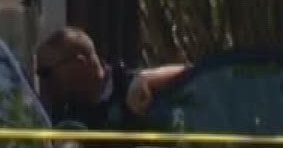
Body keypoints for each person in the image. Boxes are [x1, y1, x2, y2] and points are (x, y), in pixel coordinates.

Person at [33, 26, 187, 130]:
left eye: (47, 73)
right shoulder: (60, 114)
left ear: (79, 64)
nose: (45, 82)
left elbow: (194, 74)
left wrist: (147, 78)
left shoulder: (130, 88)